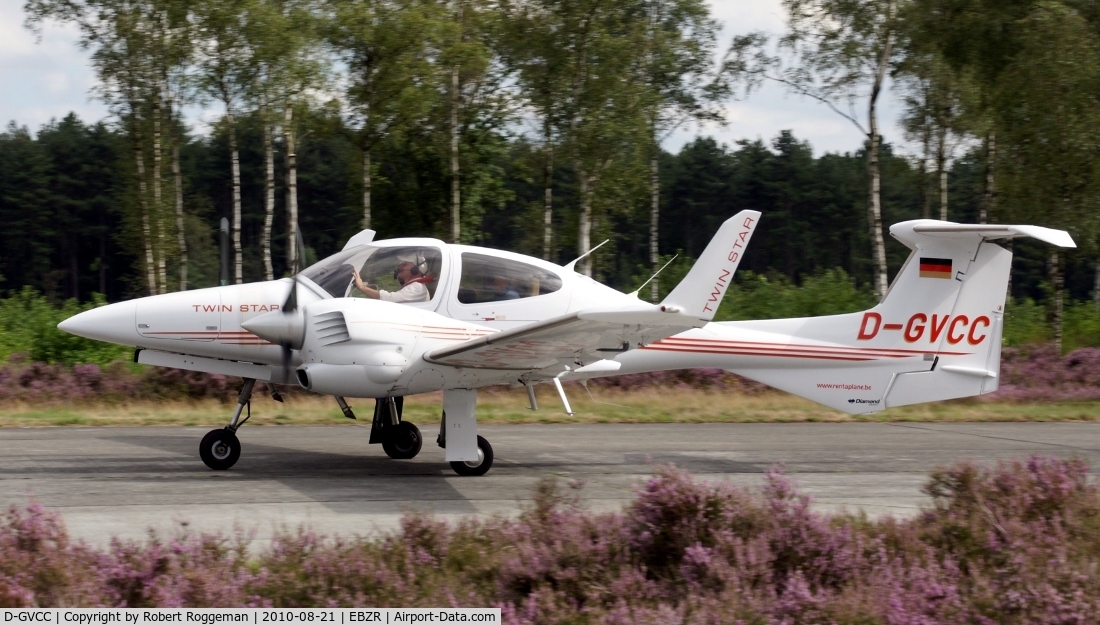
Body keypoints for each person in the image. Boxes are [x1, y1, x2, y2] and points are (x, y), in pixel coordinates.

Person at [353, 256, 431, 303]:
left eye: (404, 264)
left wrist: (362, 287)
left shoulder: (417, 287)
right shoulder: (414, 286)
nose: (400, 267)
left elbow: (389, 299)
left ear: (416, 269)